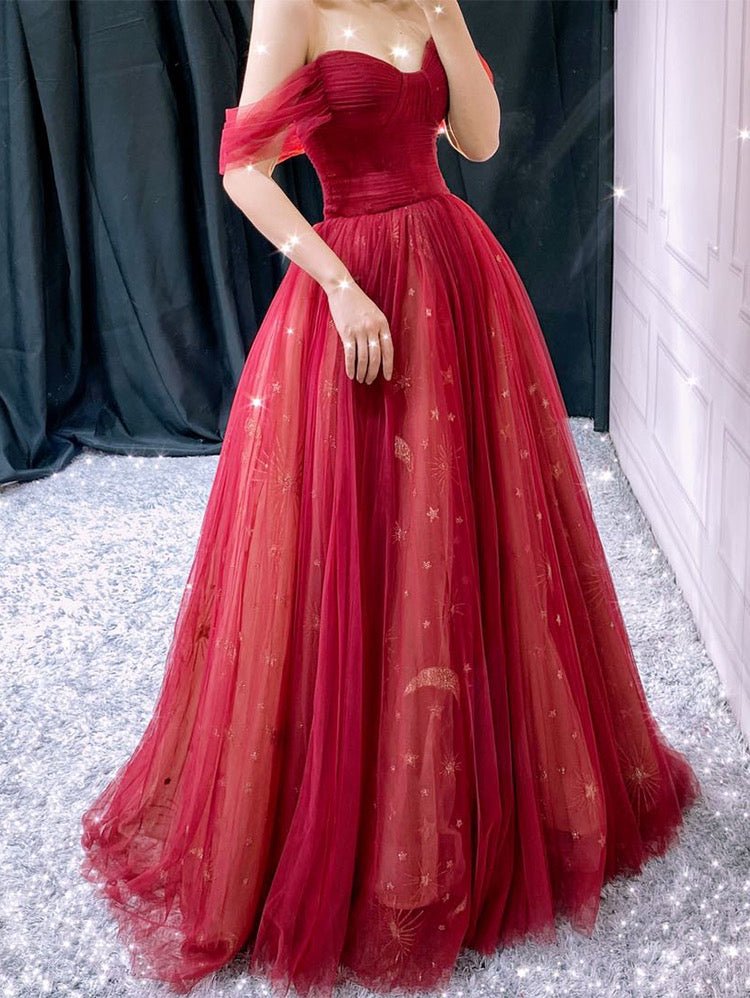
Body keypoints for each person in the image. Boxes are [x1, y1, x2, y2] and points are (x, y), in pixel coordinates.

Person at [79, 1, 702, 995]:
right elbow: (243, 168)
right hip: (356, 285)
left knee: (474, 532)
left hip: (457, 278)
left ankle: (483, 788)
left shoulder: (425, 2)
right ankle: (362, 815)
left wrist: (446, 14)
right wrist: (333, 281)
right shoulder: (296, 5)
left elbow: (480, 143)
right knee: (363, 539)